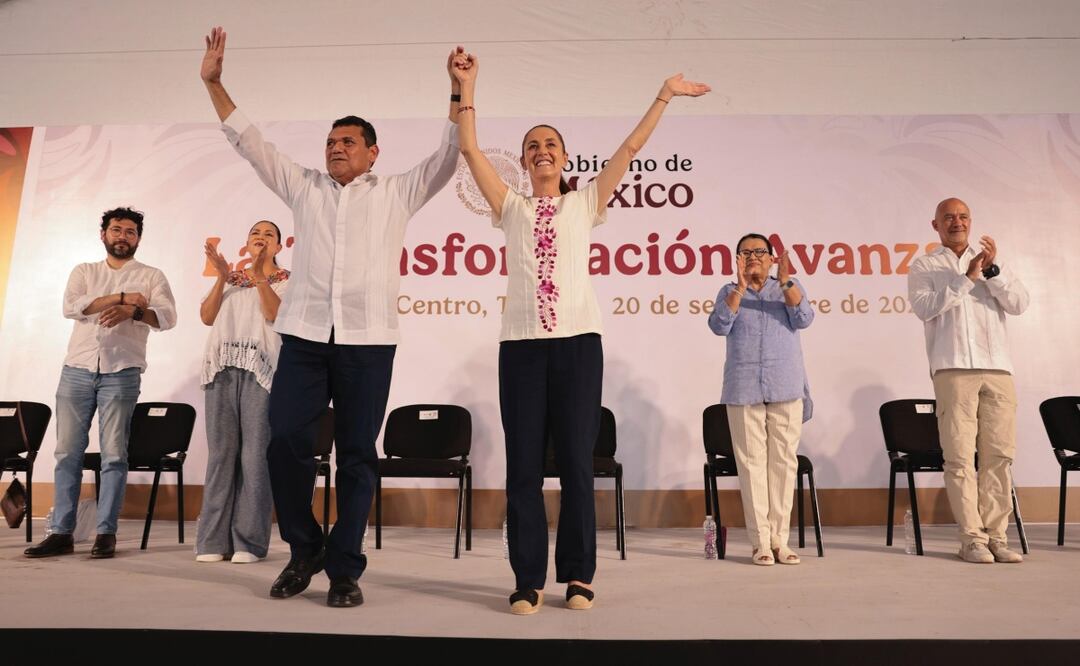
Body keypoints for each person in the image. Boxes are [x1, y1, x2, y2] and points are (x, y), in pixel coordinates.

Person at [200, 27, 462, 607]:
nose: (336, 148)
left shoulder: (397, 192)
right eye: (330, 141)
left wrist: (459, 90)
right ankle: (305, 548)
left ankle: (345, 568)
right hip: (305, 338)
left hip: (368, 343)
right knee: (284, 442)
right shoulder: (304, 187)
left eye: (348, 141)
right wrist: (215, 84)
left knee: (358, 455)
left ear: (373, 152)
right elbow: (251, 143)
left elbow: (449, 155)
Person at [451, 51, 709, 613]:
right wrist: (466, 84)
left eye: (551, 144)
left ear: (566, 158)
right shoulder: (510, 206)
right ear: (523, 161)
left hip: (578, 346)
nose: (541, 151)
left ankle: (577, 574)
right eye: (532, 146)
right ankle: (527, 578)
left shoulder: (584, 202)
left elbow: (630, 148)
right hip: (521, 349)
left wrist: (664, 95)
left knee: (575, 463)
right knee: (523, 469)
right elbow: (468, 148)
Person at [25, 207, 177, 559]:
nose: (123, 236)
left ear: (138, 238)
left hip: (122, 372)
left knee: (114, 454)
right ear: (103, 234)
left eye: (130, 232)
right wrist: (121, 298)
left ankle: (106, 532)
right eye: (116, 229)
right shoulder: (84, 271)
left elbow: (167, 318)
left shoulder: (151, 276)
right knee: (67, 453)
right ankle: (61, 532)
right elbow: (71, 306)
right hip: (76, 370)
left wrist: (134, 311)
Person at [908, 197, 1029, 563]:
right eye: (949, 217)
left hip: (998, 368)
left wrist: (992, 273)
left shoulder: (992, 263)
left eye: (962, 216)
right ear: (936, 225)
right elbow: (924, 308)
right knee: (959, 457)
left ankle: (997, 537)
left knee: (999, 456)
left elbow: (1019, 304)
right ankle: (972, 539)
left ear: (970, 221)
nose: (956, 222)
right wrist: (966, 279)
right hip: (953, 368)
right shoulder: (925, 265)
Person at [707, 234, 814, 566]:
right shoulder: (729, 291)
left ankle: (781, 541)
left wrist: (786, 282)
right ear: (738, 260)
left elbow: (804, 318)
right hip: (743, 388)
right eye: (746, 252)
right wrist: (740, 288)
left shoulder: (788, 286)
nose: (753, 256)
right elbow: (718, 325)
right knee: (751, 465)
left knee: (783, 463)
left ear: (771, 258)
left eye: (759, 251)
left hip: (785, 385)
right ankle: (760, 543)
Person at [195, 220, 289, 564]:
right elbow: (207, 317)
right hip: (222, 369)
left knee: (254, 457)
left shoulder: (288, 280)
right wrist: (222, 277)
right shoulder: (232, 280)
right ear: (246, 243)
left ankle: (249, 542)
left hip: (261, 373)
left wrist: (260, 275)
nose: (260, 238)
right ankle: (212, 541)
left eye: (268, 235)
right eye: (255, 234)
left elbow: (274, 314)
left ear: (279, 246)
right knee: (221, 455)